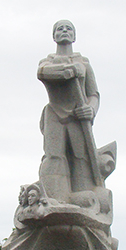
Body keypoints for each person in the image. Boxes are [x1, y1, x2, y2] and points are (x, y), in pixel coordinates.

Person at [37, 20, 101, 202]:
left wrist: (90, 109)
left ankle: (83, 198)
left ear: (74, 36)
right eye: (59, 29)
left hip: (77, 115)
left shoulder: (84, 64)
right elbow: (42, 72)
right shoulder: (47, 62)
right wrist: (68, 71)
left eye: (68, 29)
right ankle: (54, 197)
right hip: (54, 113)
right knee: (54, 155)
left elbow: (94, 94)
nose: (64, 31)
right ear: (54, 36)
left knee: (80, 157)